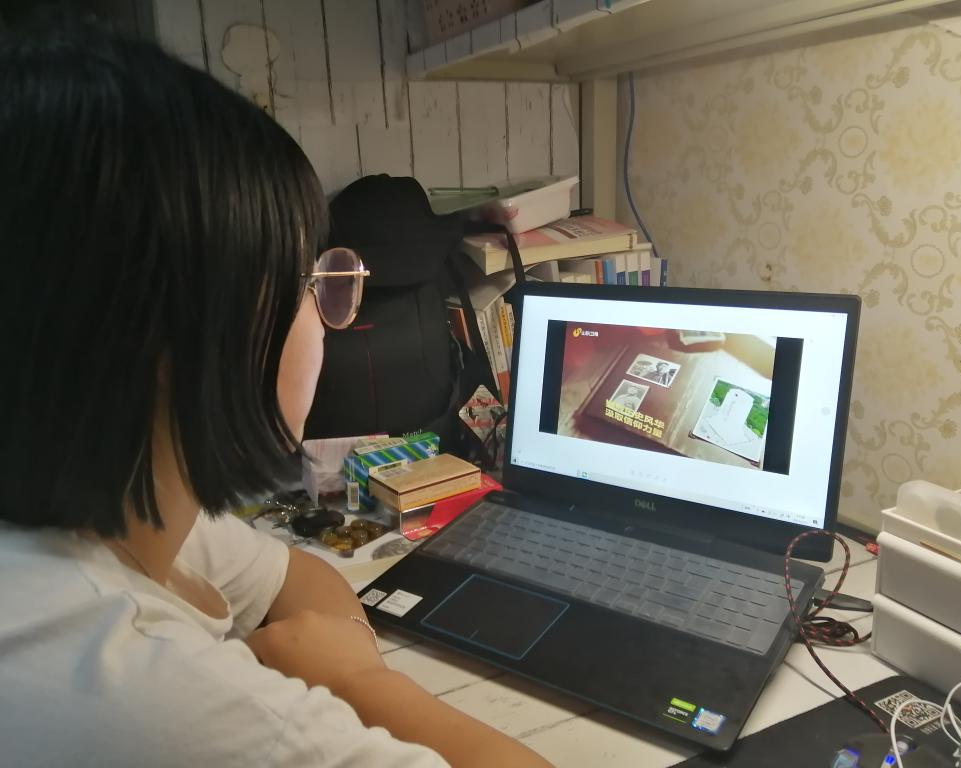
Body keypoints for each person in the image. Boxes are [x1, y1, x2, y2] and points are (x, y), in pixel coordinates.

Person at [0, 17, 551, 768]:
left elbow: (302, 578)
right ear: (210, 332)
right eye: (312, 280)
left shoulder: (121, 513)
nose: (327, 317)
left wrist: (337, 652)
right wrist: (358, 680)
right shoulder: (152, 701)